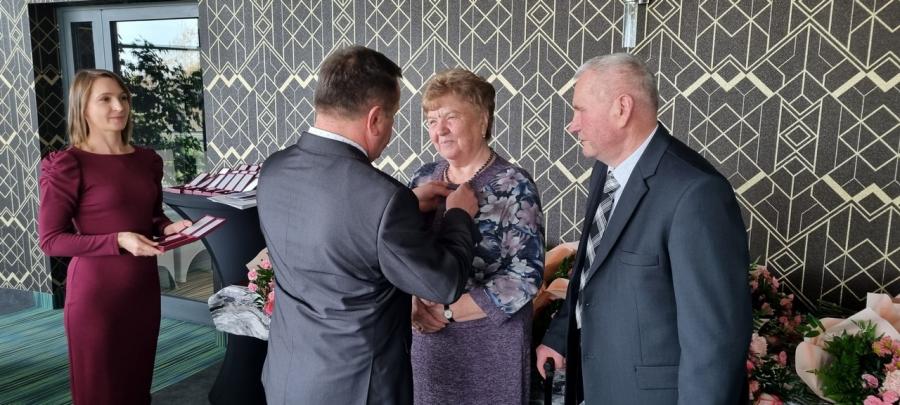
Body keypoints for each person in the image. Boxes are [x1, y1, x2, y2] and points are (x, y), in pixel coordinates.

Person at [256, 46, 480, 405]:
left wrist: (406, 205)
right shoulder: (383, 199)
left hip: (287, 376)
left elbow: (333, 229)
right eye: (392, 117)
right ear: (375, 118)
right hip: (358, 389)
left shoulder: (274, 169)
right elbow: (442, 283)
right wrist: (459, 216)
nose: (390, 130)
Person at [535, 53, 752, 404]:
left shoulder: (697, 193)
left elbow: (714, 342)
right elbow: (591, 271)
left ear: (622, 109)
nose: (572, 125)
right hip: (597, 385)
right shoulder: (605, 170)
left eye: (580, 110)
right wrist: (560, 335)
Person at [38, 69, 192, 404]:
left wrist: (167, 227)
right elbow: (51, 240)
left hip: (142, 290)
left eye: (122, 98)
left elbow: (151, 215)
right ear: (83, 108)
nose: (119, 107)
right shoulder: (68, 164)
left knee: (136, 386)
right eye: (105, 99)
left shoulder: (146, 160)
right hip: (96, 296)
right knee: (101, 392)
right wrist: (118, 240)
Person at [408, 68, 545, 404]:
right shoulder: (423, 178)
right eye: (432, 120)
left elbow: (525, 276)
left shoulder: (514, 184)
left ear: (483, 120)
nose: (439, 130)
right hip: (429, 348)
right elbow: (403, 255)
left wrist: (447, 311)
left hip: (491, 351)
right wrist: (412, 302)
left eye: (451, 117)